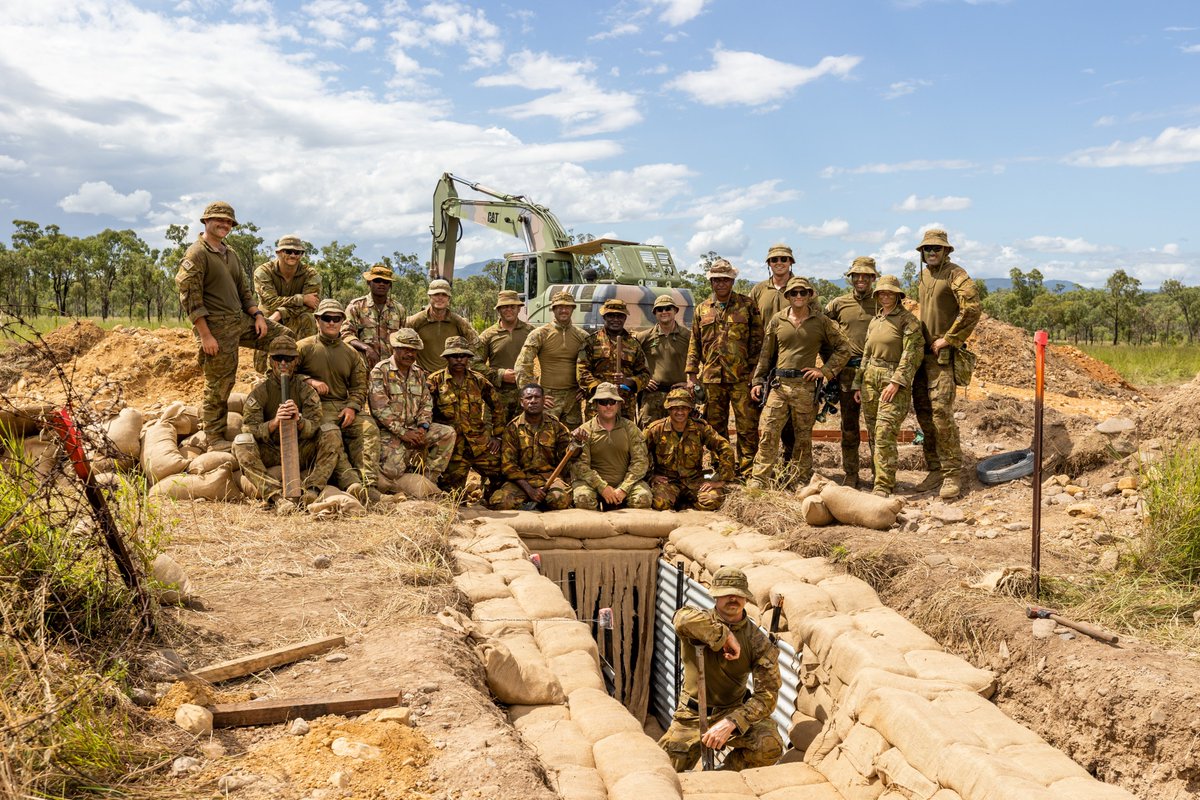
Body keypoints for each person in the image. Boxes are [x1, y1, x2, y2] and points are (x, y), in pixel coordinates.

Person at [175, 200, 288, 451]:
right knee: (220, 382)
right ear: (206, 221)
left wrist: (258, 315)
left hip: (240, 320)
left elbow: (244, 291)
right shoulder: (197, 253)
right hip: (214, 327)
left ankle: (276, 395)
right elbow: (190, 299)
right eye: (219, 220)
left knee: (283, 339)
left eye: (228, 222)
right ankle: (213, 437)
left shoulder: (231, 253)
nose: (224, 225)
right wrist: (205, 335)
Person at [658, 567, 783, 772]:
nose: (733, 598)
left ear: (746, 598)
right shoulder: (699, 621)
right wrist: (724, 636)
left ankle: (725, 777)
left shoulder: (757, 641)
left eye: (738, 594)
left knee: (769, 746)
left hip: (733, 709)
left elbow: (767, 695)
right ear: (715, 595)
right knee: (663, 771)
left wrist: (733, 721)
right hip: (691, 713)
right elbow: (681, 618)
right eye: (726, 593)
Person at [748, 277, 851, 488]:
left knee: (802, 437)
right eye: (794, 293)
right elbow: (766, 354)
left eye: (803, 293)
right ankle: (759, 479)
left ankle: (800, 479)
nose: (798, 297)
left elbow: (844, 348)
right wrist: (758, 380)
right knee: (768, 431)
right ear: (787, 296)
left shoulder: (821, 321)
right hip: (779, 384)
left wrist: (825, 371)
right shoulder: (777, 320)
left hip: (805, 386)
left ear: (809, 295)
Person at [232, 334, 341, 511]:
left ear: (296, 361)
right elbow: (249, 427)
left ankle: (312, 491)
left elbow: (315, 424)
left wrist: (299, 421)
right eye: (278, 358)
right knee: (241, 443)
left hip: (300, 448)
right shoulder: (260, 392)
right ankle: (275, 497)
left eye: (288, 359)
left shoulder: (306, 390)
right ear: (271, 360)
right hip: (271, 449)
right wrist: (274, 422)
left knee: (331, 432)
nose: (283, 363)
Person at [912, 229, 981, 499]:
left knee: (941, 415)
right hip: (921, 357)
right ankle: (935, 469)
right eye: (927, 249)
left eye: (937, 249)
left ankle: (952, 473)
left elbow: (972, 309)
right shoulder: (923, 275)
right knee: (924, 415)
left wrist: (950, 339)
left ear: (946, 251)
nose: (932, 253)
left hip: (942, 359)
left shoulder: (956, 274)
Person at [296, 299, 381, 503]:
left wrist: (352, 407)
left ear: (342, 321)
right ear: (318, 320)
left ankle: (369, 485)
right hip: (316, 408)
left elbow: (360, 386)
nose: (331, 323)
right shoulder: (303, 347)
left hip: (344, 407)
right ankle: (350, 483)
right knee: (330, 433)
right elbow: (282, 373)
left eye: (336, 318)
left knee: (369, 428)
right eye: (327, 318)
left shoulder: (351, 353)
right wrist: (309, 380)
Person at [686, 259, 763, 478]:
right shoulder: (702, 309)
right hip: (711, 378)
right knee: (715, 428)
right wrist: (692, 375)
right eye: (716, 280)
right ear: (711, 281)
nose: (721, 284)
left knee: (747, 426)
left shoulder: (747, 305)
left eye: (725, 280)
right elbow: (695, 342)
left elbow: (758, 342)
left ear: (732, 281)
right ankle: (722, 468)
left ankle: (749, 471)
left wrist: (755, 375)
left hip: (741, 378)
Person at [853, 275, 923, 497]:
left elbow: (912, 354)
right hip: (870, 380)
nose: (885, 295)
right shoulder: (876, 320)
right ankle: (878, 478)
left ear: (898, 295)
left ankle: (884, 484)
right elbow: (866, 353)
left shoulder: (908, 321)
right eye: (881, 292)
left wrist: (896, 382)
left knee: (885, 431)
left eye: (889, 292)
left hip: (892, 379)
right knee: (873, 433)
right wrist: (858, 382)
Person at [368, 328, 456, 487]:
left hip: (416, 430)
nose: (410, 354)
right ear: (395, 349)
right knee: (392, 471)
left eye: (414, 351)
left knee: (447, 433)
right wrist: (403, 433)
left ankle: (428, 480)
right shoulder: (380, 371)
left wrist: (423, 427)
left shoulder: (418, 373)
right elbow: (380, 409)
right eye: (406, 349)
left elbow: (426, 403)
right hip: (391, 432)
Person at [825, 257, 879, 489]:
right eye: (856, 275)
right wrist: (832, 362)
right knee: (849, 426)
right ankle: (851, 473)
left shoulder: (883, 302)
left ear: (873, 278)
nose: (861, 280)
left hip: (875, 371)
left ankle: (880, 476)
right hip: (847, 371)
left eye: (866, 276)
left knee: (878, 426)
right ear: (851, 278)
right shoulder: (838, 304)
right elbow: (821, 329)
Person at [428, 336, 505, 497]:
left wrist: (497, 436)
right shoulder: (435, 381)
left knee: (504, 470)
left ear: (468, 358)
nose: (459, 360)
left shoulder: (478, 381)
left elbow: (497, 406)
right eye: (454, 356)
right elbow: (425, 410)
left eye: (463, 356)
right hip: (453, 449)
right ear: (447, 358)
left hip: (479, 444)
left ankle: (490, 492)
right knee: (453, 497)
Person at [643, 388, 735, 511]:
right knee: (660, 504)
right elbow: (639, 452)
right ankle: (677, 503)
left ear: (689, 409)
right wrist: (651, 476)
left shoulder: (700, 428)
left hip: (694, 480)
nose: (679, 412)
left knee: (713, 500)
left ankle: (684, 505)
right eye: (675, 408)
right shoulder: (655, 429)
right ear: (669, 409)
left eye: (684, 408)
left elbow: (725, 448)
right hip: (667, 482)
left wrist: (722, 481)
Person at [489, 384, 574, 511]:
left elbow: (567, 454)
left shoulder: (556, 426)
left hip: (549, 479)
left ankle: (540, 504)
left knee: (560, 500)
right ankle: (532, 502)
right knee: (499, 502)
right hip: (521, 481)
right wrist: (530, 491)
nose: (533, 401)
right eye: (529, 398)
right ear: (522, 402)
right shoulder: (512, 428)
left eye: (537, 397)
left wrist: (577, 444)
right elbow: (509, 466)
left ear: (544, 400)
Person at [571, 383, 652, 510]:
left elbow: (640, 462)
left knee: (643, 498)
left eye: (612, 402)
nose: (608, 406)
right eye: (603, 402)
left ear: (618, 404)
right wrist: (602, 487)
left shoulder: (630, 428)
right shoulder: (585, 431)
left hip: (624, 484)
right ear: (596, 405)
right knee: (583, 498)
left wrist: (623, 489)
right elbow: (581, 466)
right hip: (593, 485)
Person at [515, 291, 589, 428]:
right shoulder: (540, 334)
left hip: (573, 399)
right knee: (545, 440)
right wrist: (535, 396)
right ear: (553, 309)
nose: (564, 310)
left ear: (573, 308)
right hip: (549, 397)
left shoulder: (582, 336)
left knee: (572, 442)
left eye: (568, 306)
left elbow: (593, 365)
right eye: (559, 307)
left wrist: (586, 387)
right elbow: (523, 365)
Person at [252, 233, 320, 373]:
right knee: (263, 321)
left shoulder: (311, 274)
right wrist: (301, 299)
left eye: (297, 252)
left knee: (308, 318)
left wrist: (281, 313)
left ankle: (304, 369)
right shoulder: (263, 271)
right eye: (288, 251)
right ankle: (262, 374)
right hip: (269, 318)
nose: (293, 255)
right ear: (278, 252)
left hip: (294, 317)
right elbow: (270, 302)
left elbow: (311, 305)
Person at [577, 298, 649, 420]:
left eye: (619, 316)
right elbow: (582, 371)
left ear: (625, 318)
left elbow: (645, 374)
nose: (615, 319)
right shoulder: (591, 342)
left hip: (625, 405)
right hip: (598, 404)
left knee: (623, 438)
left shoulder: (634, 344)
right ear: (604, 317)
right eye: (611, 315)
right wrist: (600, 390)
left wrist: (628, 381)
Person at [478, 290, 535, 421]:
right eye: (505, 307)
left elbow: (548, 359)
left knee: (523, 436)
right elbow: (475, 364)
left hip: (526, 395)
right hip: (496, 396)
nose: (509, 310)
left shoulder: (531, 332)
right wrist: (500, 374)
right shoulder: (488, 335)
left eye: (512, 306)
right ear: (498, 309)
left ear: (519, 308)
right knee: (494, 437)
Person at [634, 294, 691, 425]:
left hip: (679, 395)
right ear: (655, 313)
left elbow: (703, 360)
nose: (664, 312)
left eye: (668, 308)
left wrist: (691, 383)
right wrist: (642, 381)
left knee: (679, 432)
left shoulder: (688, 336)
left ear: (675, 311)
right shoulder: (644, 337)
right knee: (648, 434)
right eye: (660, 309)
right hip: (652, 394)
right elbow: (630, 361)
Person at [407, 278, 480, 375]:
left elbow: (475, 343)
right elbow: (403, 346)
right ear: (430, 296)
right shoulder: (415, 321)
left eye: (444, 295)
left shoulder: (458, 322)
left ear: (449, 298)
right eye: (436, 294)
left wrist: (464, 365)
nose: (440, 298)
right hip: (423, 376)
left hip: (450, 377)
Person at [342, 264, 407, 370]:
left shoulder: (399, 309)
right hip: (363, 367)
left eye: (386, 282)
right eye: (377, 280)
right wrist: (366, 348)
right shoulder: (356, 306)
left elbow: (404, 340)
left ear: (390, 285)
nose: (381, 284)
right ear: (369, 282)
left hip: (391, 370)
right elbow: (345, 335)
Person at [748, 243, 796, 322]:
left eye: (783, 259)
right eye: (774, 260)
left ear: (790, 262)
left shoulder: (802, 289)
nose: (779, 263)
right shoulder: (758, 289)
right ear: (769, 263)